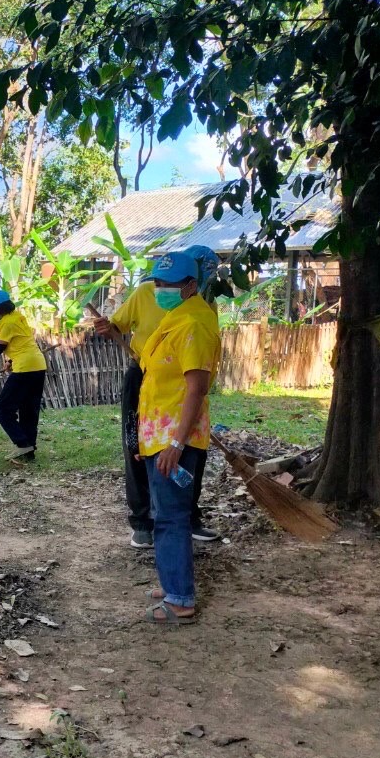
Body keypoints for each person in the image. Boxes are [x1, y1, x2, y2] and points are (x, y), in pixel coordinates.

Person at [94, 248, 220, 549]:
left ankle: (186, 515)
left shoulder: (204, 307)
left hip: (185, 385)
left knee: (189, 452)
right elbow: (117, 326)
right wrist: (107, 328)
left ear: (195, 282)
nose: (162, 288)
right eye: (161, 282)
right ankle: (143, 520)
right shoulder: (145, 294)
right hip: (145, 377)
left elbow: (203, 359)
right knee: (138, 448)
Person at [134, 251, 221, 625]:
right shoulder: (178, 318)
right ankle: (173, 583)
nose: (160, 290)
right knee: (164, 513)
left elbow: (196, 389)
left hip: (175, 439)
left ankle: (181, 600)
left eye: (167, 284)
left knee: (170, 517)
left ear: (190, 286)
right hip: (160, 435)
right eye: (157, 283)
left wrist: (175, 444)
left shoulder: (195, 325)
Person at [0, 289, 47, 462]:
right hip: (38, 365)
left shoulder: (6, 323)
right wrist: (11, 360)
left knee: (3, 408)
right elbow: (22, 343)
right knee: (29, 410)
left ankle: (22, 443)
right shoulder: (18, 317)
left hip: (25, 368)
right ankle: (29, 451)